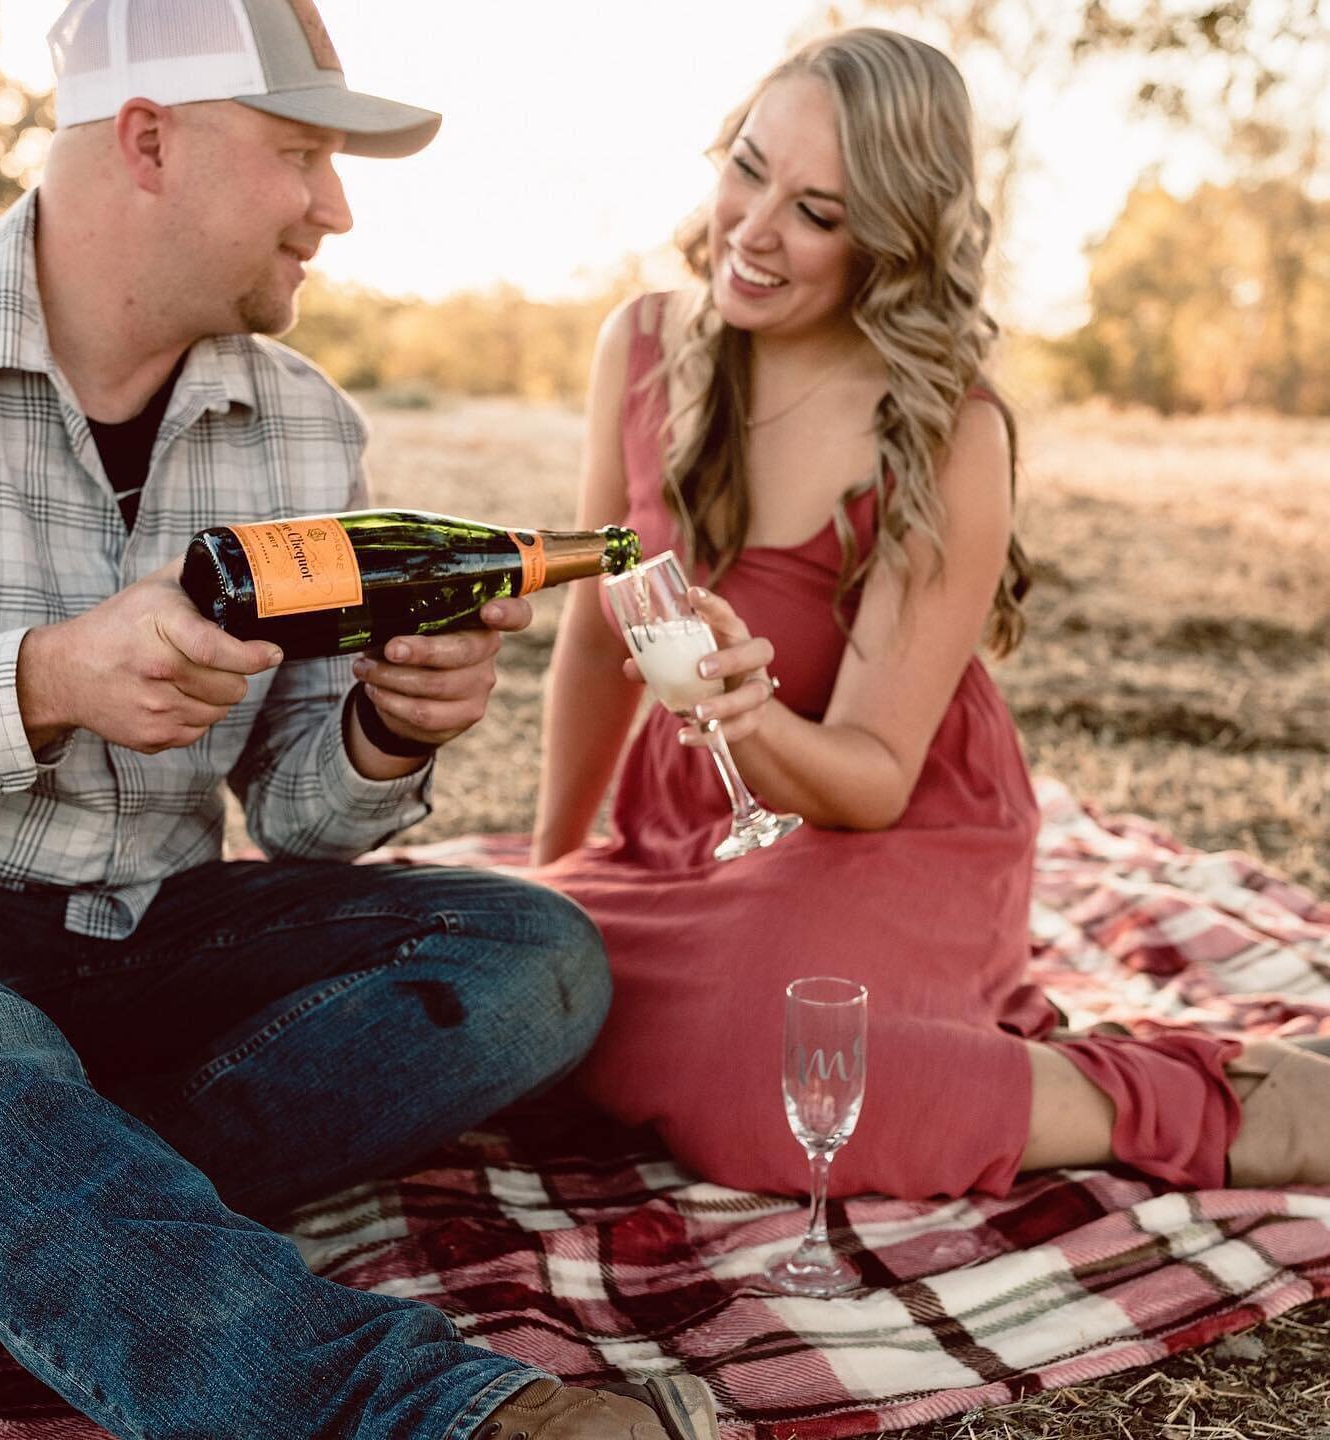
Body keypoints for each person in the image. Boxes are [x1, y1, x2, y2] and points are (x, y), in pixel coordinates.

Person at [0, 2, 721, 1437]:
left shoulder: (305, 425)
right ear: (149, 138)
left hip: (153, 929)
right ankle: (417, 1416)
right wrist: (48, 679)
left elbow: (302, 819)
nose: (334, 209)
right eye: (300, 154)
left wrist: (386, 734)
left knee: (538, 959)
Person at [532, 27, 1330, 1202]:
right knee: (513, 998)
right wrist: (555, 871)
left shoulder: (948, 426)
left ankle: (1216, 1100)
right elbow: (602, 640)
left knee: (777, 1073)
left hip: (896, 836)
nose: (752, 230)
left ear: (890, 242)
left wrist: (748, 721)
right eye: (748, 167)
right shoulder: (641, 345)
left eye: (818, 210)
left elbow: (872, 779)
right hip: (687, 833)